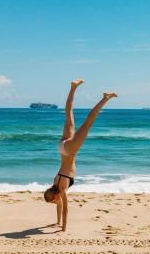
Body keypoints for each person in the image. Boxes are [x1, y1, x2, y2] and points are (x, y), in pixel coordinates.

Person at [44, 79, 117, 231]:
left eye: (53, 201)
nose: (55, 202)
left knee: (88, 123)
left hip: (70, 150)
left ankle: (105, 98)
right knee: (68, 114)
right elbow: (59, 206)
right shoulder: (55, 182)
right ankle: (73, 87)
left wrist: (63, 228)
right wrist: (57, 222)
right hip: (62, 147)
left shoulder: (62, 188)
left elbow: (65, 209)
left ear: (55, 196)